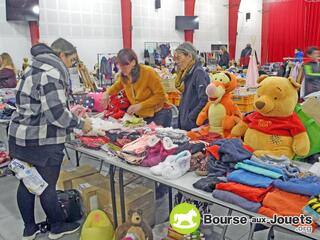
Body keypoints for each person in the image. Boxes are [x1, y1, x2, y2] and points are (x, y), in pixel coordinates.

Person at [8, 38, 92, 240]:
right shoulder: (53, 71)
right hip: (41, 141)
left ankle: (29, 229)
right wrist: (81, 124)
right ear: (61, 55)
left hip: (19, 138)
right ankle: (57, 226)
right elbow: (56, 114)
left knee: (27, 183)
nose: (72, 65)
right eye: (71, 60)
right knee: (47, 186)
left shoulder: (33, 67)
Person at [101, 48, 172, 127]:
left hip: (160, 113)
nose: (122, 67)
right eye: (120, 65)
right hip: (143, 115)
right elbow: (117, 86)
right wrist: (107, 93)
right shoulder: (125, 75)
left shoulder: (148, 72)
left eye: (125, 64)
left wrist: (140, 105)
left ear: (133, 62)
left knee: (157, 138)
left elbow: (160, 96)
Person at [175, 42, 210, 131]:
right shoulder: (187, 73)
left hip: (194, 125)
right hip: (186, 123)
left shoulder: (198, 73)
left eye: (179, 58)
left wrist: (191, 117)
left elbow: (205, 99)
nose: (177, 62)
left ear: (189, 56)